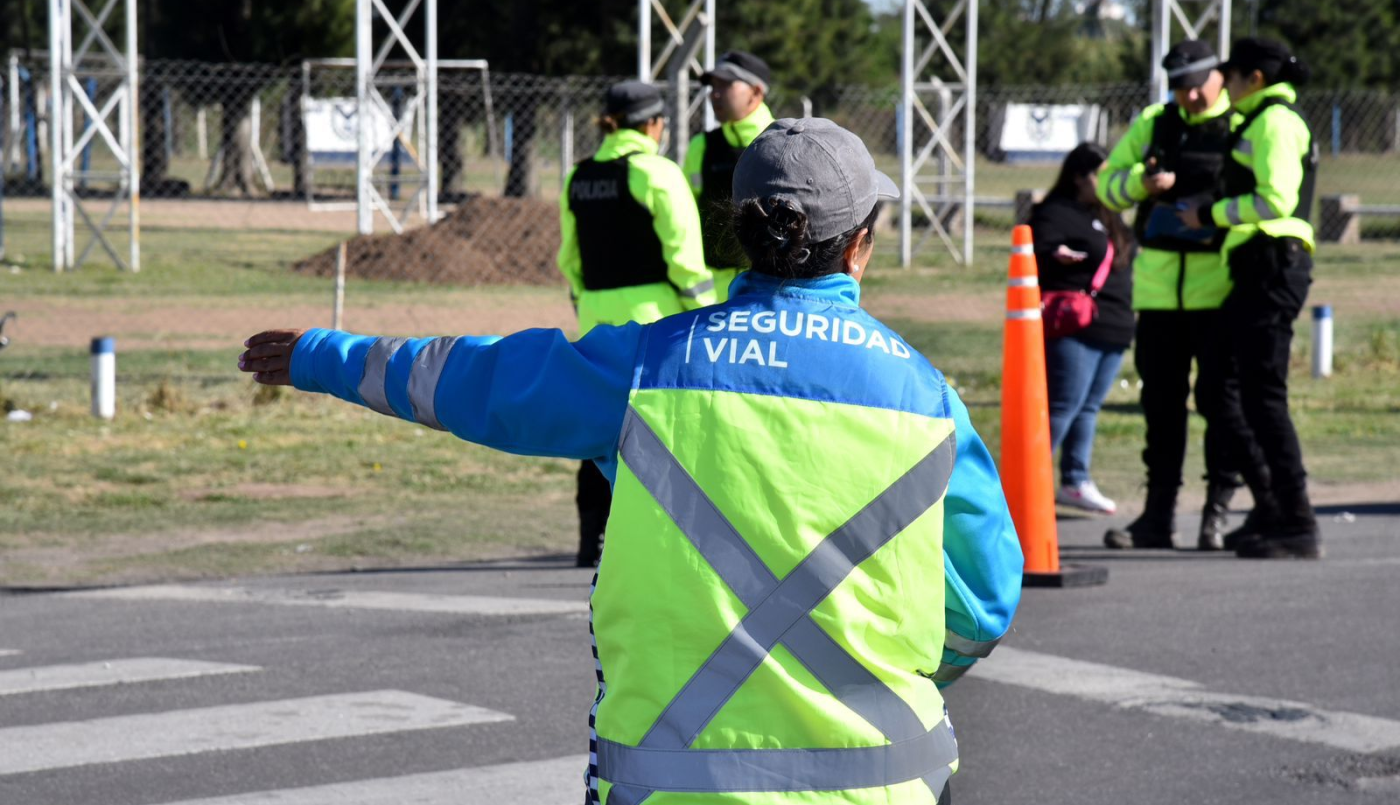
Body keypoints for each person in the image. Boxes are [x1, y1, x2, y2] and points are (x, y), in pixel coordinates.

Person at [238, 117, 1023, 804]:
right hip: (883, 786)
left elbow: (468, 381)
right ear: (860, 246)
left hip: (668, 784)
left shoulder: (643, 368)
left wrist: (319, 355)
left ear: (738, 230)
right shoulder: (925, 397)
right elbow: (985, 600)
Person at [1097, 40, 1270, 551]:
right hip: (1157, 294)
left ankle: (1217, 514)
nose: (1190, 96)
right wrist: (1141, 184)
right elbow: (1107, 185)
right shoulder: (1154, 121)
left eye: (1198, 84)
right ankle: (1157, 516)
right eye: (1180, 87)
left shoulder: (1242, 123)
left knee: (1222, 407)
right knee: (1162, 408)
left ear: (1220, 76)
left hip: (1219, 291)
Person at [557, 80, 717, 567]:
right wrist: (706, 316)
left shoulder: (578, 177)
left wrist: (589, 304)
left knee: (598, 428)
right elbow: (686, 262)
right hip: (654, 325)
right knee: (658, 433)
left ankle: (592, 540)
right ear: (653, 124)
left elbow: (570, 261)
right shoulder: (657, 174)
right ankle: (655, 536)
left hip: (594, 319)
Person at [1178, 38, 1321, 559]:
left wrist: (1210, 214)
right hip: (1256, 268)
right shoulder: (1259, 119)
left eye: (1231, 76)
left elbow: (1276, 198)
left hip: (1272, 265)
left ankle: (1297, 521)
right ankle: (1271, 506)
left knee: (1261, 397)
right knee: (1219, 390)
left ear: (1253, 79)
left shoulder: (1276, 122)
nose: (1224, 86)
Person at [1030, 142, 1135, 515]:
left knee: (1087, 406)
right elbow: (1033, 246)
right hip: (1076, 325)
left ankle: (1075, 480)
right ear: (1079, 176)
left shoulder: (1110, 214)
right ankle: (1028, 482)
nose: (1108, 182)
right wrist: (1052, 253)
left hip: (1114, 324)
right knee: (1064, 405)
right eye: (1101, 174)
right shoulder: (1054, 211)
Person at [683, 50, 776, 302]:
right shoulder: (701, 146)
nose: (715, 93)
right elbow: (685, 216)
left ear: (756, 92)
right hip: (711, 290)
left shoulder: (781, 143)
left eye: (726, 85)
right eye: (713, 85)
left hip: (771, 287)